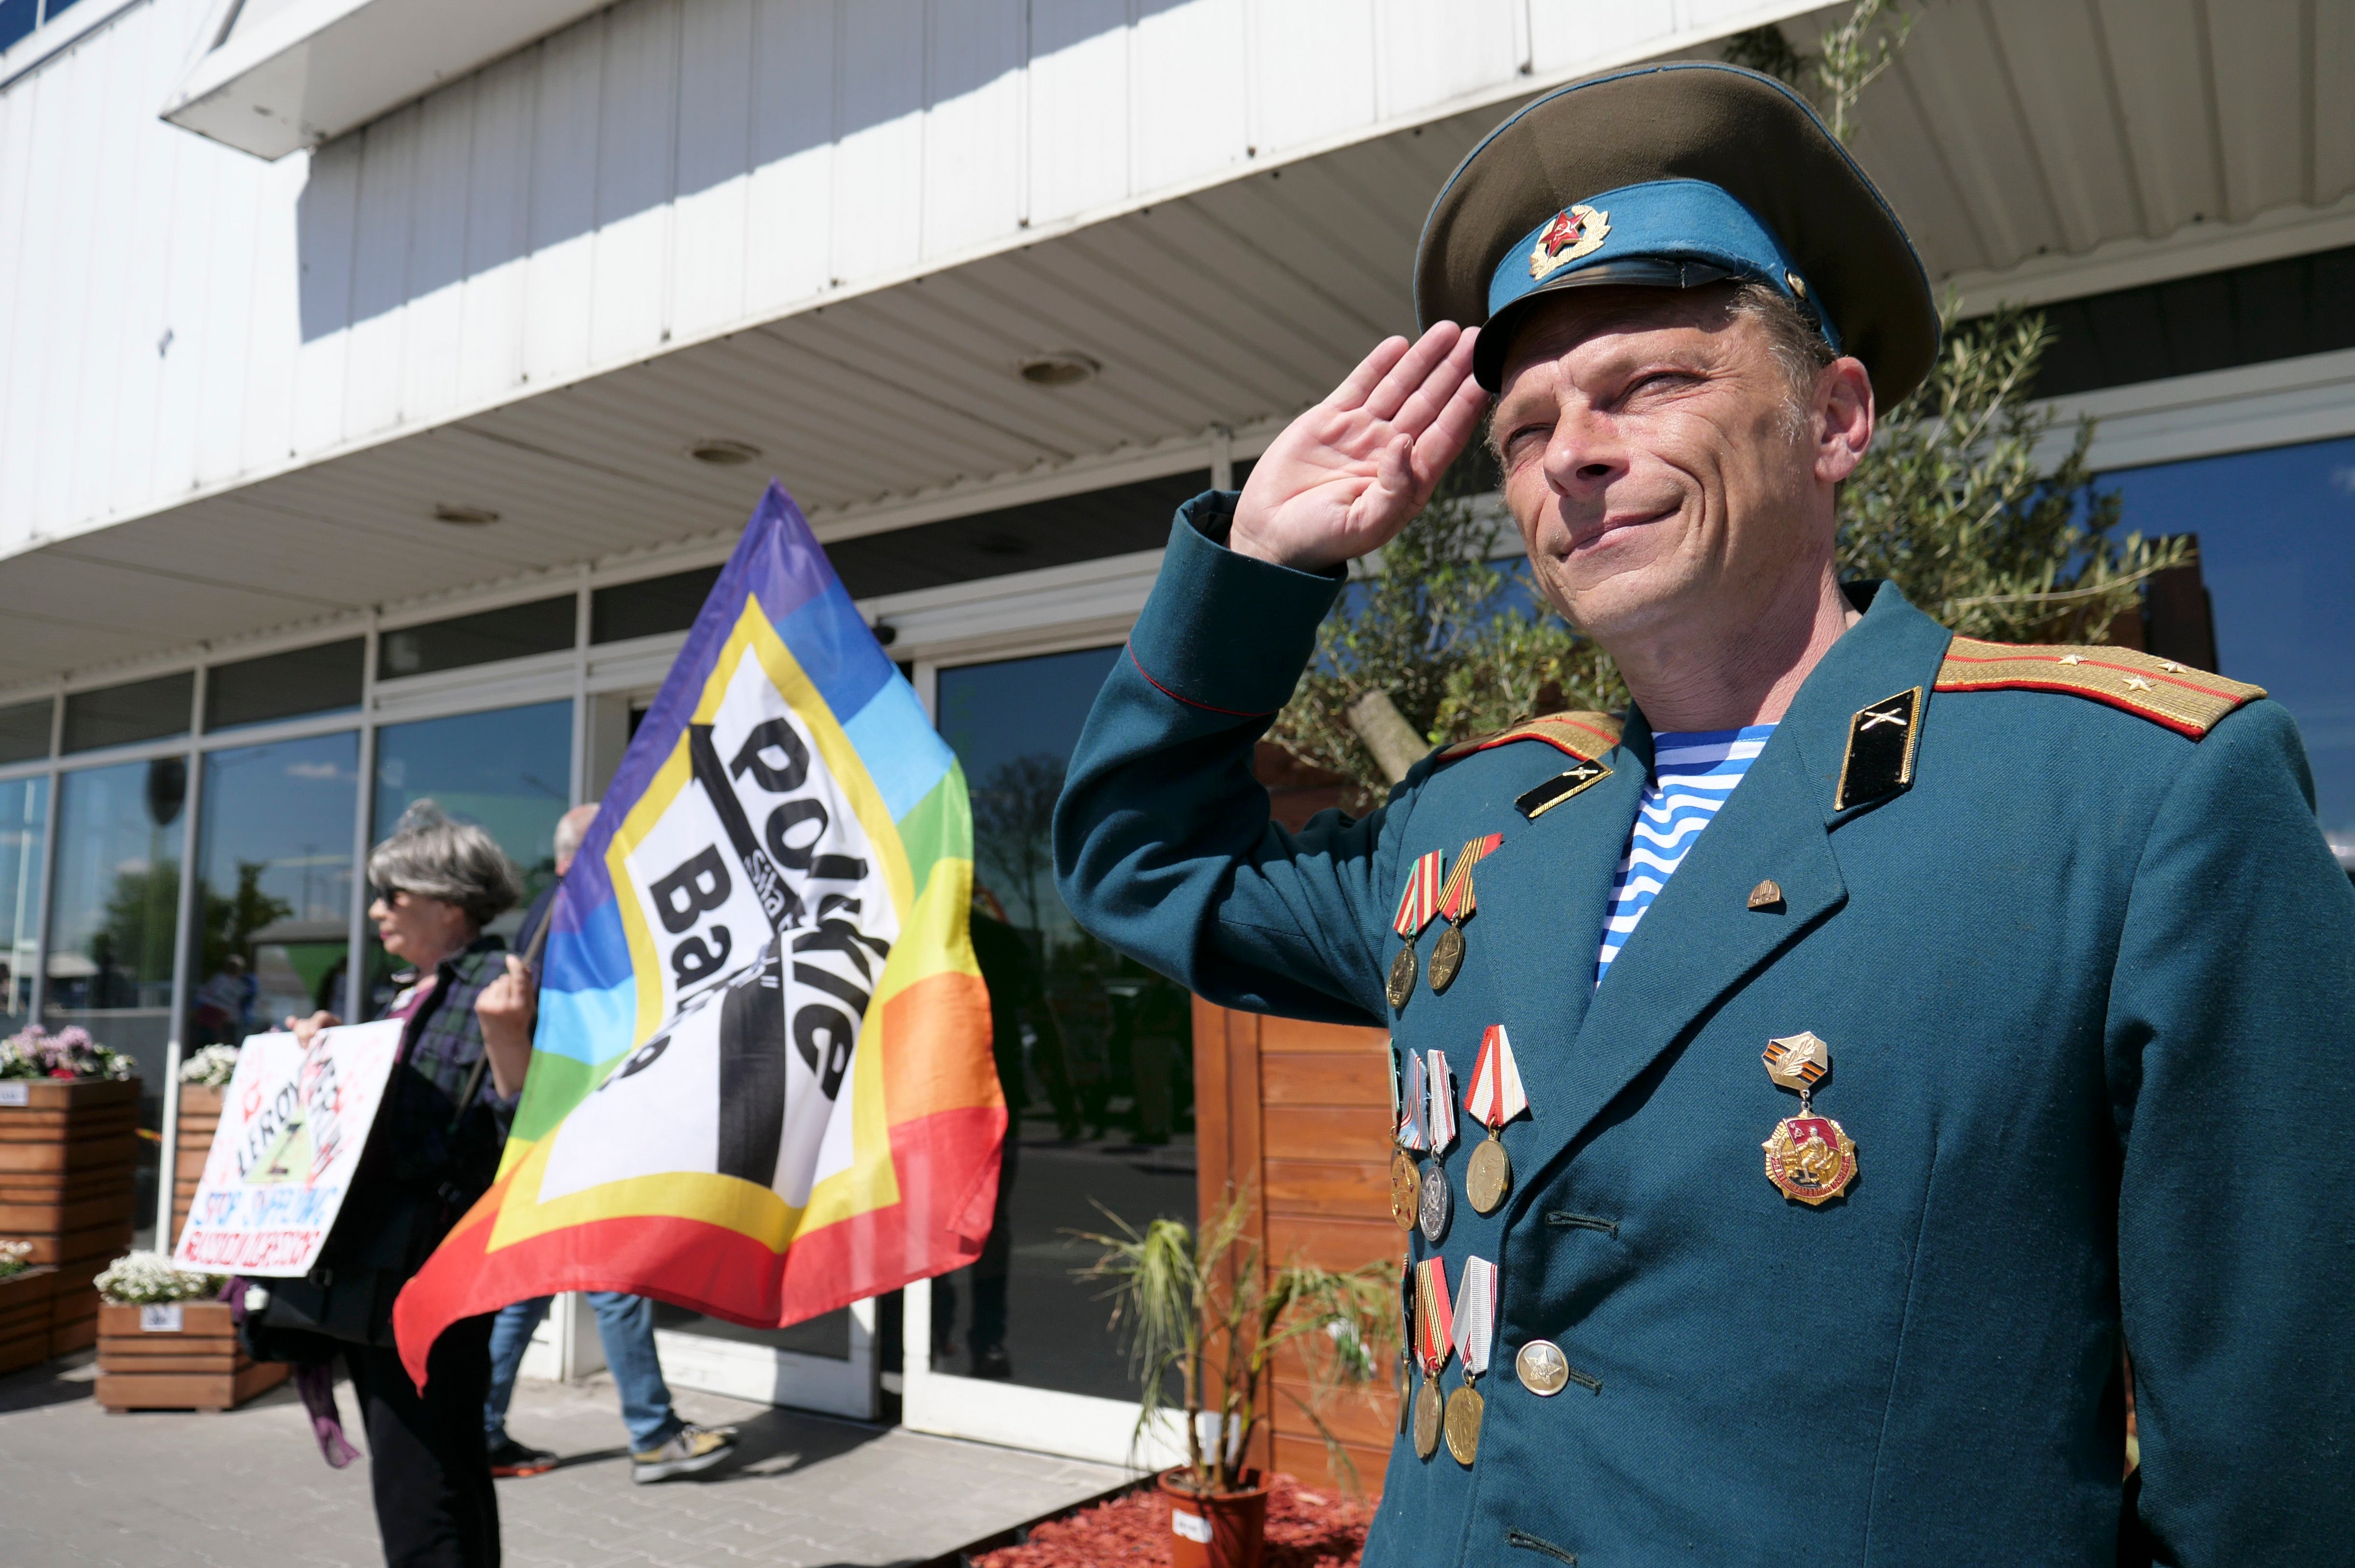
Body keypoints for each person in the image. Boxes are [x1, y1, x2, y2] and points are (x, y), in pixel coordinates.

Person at [1053, 61, 2355, 1566]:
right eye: (1526, 430)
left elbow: (2278, 1466)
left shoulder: (2129, 796)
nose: (1574, 456)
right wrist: (1265, 564)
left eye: (1649, 385)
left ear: (1836, 417)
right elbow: (1141, 859)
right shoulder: (1472, 824)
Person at [270, 800, 537, 1568]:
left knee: (423, 1485)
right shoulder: (412, 991)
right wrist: (318, 1063)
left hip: (432, 1270)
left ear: (450, 904)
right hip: (390, 1267)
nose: (377, 911)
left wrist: (508, 1041)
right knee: (437, 1470)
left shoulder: (498, 985)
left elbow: (521, 1137)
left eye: (395, 895)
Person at [479, 804, 738, 1483]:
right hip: (580, 1123)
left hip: (551, 1125)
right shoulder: (577, 915)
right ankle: (653, 1434)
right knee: (614, 1277)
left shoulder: (551, 912)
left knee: (531, 1287)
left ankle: (480, 1427)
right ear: (581, 854)